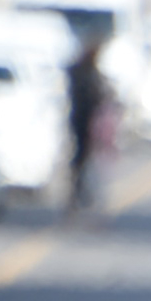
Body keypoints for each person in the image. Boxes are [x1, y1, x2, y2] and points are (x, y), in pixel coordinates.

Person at [65, 33, 110, 214]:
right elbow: (91, 96)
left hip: (85, 120)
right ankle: (80, 196)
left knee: (84, 161)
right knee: (83, 160)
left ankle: (81, 195)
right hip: (83, 120)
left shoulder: (83, 71)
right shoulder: (83, 73)